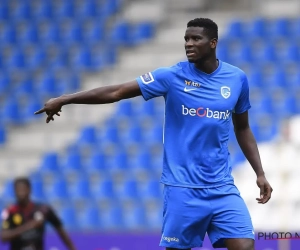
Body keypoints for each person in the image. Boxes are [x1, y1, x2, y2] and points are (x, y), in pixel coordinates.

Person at [34, 18, 273, 250]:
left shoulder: (236, 79)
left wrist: (259, 173)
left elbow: (242, 127)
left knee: (244, 245)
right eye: (186, 38)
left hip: (222, 187)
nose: (188, 43)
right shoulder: (171, 76)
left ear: (213, 43)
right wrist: (65, 99)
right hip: (183, 188)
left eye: (196, 38)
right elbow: (116, 91)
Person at [0, 177, 76, 250]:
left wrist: (72, 248)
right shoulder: (10, 211)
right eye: (17, 190)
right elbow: (4, 236)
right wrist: (30, 225)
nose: (20, 193)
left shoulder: (43, 210)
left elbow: (60, 229)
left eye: (23, 190)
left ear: (29, 189)